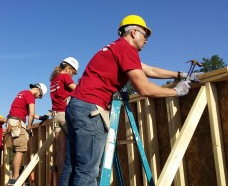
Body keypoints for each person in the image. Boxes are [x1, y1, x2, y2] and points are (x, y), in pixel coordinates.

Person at [58, 15, 201, 186]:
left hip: (76, 107)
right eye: (145, 35)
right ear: (134, 32)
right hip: (91, 109)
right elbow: (144, 88)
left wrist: (180, 74)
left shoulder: (116, 49)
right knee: (87, 172)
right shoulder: (126, 50)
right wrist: (176, 91)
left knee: (72, 167)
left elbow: (149, 70)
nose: (146, 41)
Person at [7, 83, 49, 185]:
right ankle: (16, 178)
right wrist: (29, 128)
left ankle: (13, 177)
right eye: (40, 96)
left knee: (18, 150)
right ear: (38, 90)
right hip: (17, 123)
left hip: (12, 121)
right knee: (20, 151)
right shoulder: (30, 96)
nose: (38, 98)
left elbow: (27, 112)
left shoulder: (23, 93)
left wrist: (41, 118)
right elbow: (31, 113)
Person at [49, 57, 79, 182]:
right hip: (65, 114)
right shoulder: (65, 77)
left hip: (55, 116)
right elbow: (77, 90)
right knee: (77, 144)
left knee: (60, 150)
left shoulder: (53, 81)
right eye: (73, 72)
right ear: (68, 68)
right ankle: (74, 179)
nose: (72, 75)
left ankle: (63, 180)